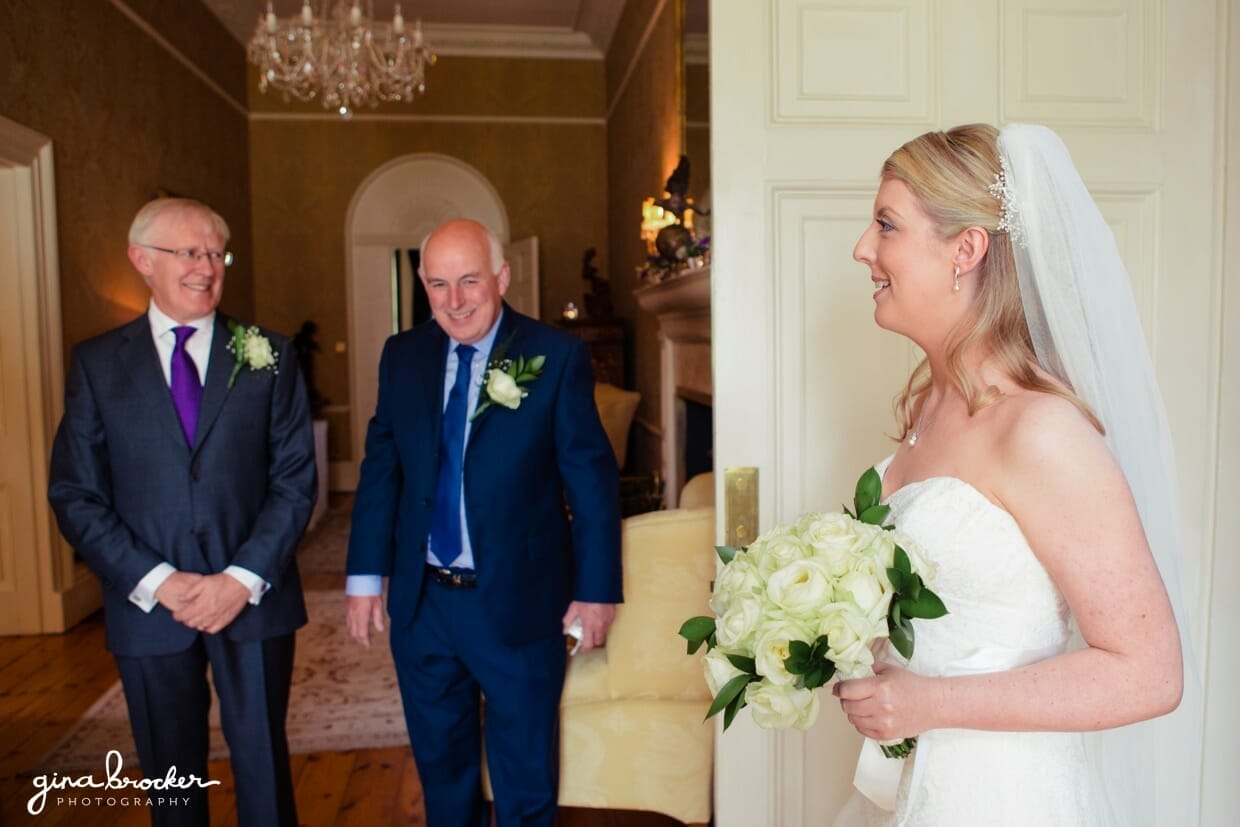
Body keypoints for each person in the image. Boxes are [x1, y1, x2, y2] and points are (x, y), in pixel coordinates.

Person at [831, 124, 1200, 825]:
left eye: (886, 224)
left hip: (1002, 796)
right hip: (910, 785)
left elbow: (1150, 672)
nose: (863, 248)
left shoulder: (1041, 431)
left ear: (965, 250)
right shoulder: (928, 405)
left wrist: (928, 703)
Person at [47, 198, 316, 827]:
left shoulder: (268, 355)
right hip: (148, 609)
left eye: (215, 253)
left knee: (264, 767)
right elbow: (76, 494)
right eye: (187, 252)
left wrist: (239, 579)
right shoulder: (97, 365)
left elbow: (294, 481)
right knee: (171, 782)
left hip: (252, 601)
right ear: (141, 260)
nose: (206, 267)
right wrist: (159, 581)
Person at [345, 218, 623, 826]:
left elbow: (593, 483)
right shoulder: (403, 355)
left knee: (524, 782)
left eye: (469, 280)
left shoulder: (555, 356)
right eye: (439, 284)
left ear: (501, 276)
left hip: (519, 604)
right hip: (422, 605)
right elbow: (381, 469)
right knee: (442, 776)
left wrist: (596, 591)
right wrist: (365, 576)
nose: (455, 300)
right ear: (422, 282)